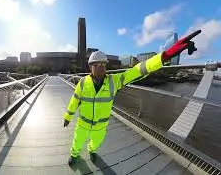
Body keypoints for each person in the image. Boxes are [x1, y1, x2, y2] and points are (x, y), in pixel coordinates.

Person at [63, 30, 201, 165]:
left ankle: (92, 151)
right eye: (97, 64)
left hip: (100, 126)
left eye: (103, 64)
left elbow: (137, 71)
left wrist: (165, 56)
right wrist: (68, 117)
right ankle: (74, 155)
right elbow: (74, 100)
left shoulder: (114, 81)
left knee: (96, 142)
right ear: (90, 67)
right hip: (83, 124)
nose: (101, 67)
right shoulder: (82, 82)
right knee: (77, 141)